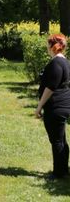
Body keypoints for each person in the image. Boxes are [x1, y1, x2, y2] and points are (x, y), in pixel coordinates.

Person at [35, 33, 70, 179]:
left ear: (52, 46)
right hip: (64, 104)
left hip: (56, 106)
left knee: (56, 140)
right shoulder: (66, 62)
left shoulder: (56, 63)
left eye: (47, 45)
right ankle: (63, 170)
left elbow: (50, 87)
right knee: (61, 139)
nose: (47, 48)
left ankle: (58, 173)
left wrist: (39, 106)